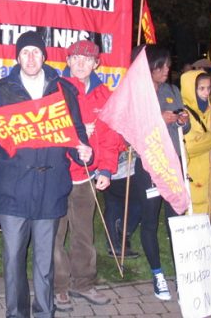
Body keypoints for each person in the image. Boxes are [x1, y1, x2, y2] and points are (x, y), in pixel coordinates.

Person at [0, 31, 93, 318]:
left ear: (44, 56)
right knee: (13, 259)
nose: (30, 58)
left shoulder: (64, 90)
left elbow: (75, 132)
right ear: (17, 57)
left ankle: (44, 312)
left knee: (45, 261)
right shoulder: (1, 90)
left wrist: (84, 150)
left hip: (51, 186)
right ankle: (16, 314)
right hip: (14, 187)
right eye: (25, 52)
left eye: (36, 52)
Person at [53, 40, 121, 311]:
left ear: (96, 64)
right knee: (55, 235)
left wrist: (105, 168)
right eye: (75, 58)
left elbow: (110, 137)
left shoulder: (105, 96)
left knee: (83, 233)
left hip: (86, 176)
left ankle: (83, 283)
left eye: (87, 59)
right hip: (57, 175)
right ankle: (59, 287)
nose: (81, 64)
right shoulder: (55, 89)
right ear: (68, 61)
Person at [132, 45, 189, 301]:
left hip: (173, 164)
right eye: (162, 66)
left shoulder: (172, 90)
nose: (167, 70)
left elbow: (183, 130)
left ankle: (182, 273)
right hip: (149, 165)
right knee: (151, 220)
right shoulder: (135, 94)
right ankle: (157, 274)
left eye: (168, 65)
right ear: (149, 67)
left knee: (175, 220)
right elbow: (131, 130)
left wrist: (182, 121)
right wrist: (158, 119)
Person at [180, 70, 211, 214]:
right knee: (193, 203)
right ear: (191, 89)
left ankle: (204, 232)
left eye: (209, 88)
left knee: (207, 201)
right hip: (192, 168)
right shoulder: (184, 113)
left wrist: (209, 138)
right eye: (201, 88)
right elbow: (190, 145)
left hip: (207, 166)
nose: (206, 92)